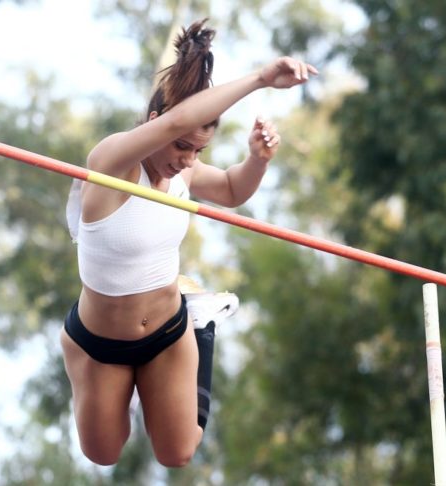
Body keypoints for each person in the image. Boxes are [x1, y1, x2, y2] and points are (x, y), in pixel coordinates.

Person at [62, 18, 318, 467]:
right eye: (181, 146)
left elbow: (233, 190)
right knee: (102, 452)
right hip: (100, 340)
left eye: (198, 151)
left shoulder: (184, 171)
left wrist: (257, 160)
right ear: (155, 124)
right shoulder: (111, 163)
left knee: (177, 452)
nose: (187, 160)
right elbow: (178, 121)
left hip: (168, 328)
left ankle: (202, 324)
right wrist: (260, 78)